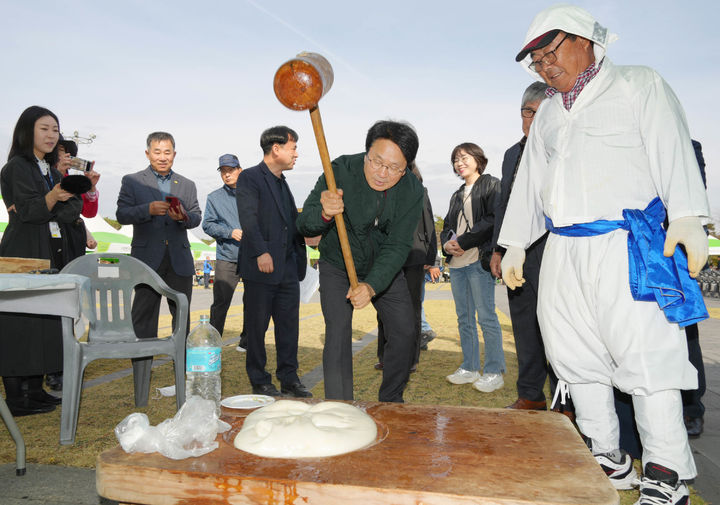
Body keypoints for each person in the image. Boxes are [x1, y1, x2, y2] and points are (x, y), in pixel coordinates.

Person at [499, 6, 709, 503]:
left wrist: (686, 214)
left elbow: (673, 146)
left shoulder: (639, 84)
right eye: (536, 61)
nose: (546, 66)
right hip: (563, 249)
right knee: (574, 358)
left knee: (647, 359)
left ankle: (666, 473)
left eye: (552, 52)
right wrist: (513, 241)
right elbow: (530, 182)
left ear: (587, 41)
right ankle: (607, 457)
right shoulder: (548, 110)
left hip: (627, 245)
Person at [296, 120, 424, 403]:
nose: (382, 173)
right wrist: (324, 214)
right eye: (377, 161)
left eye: (393, 168)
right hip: (337, 264)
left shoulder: (412, 191)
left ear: (407, 168)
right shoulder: (339, 171)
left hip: (384, 270)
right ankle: (340, 408)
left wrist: (372, 285)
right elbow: (304, 225)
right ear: (366, 153)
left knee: (405, 331)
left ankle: (391, 400)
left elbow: (398, 245)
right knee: (338, 333)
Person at [0, 106, 82, 416]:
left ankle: (36, 390)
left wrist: (59, 197)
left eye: (55, 130)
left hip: (47, 248)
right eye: (44, 129)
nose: (51, 135)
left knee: (42, 320)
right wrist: (52, 199)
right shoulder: (16, 167)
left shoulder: (50, 169)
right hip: (22, 250)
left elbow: (71, 211)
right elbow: (31, 211)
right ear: (27, 131)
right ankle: (16, 396)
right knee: (18, 321)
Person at [489, 81, 565, 411]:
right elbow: (504, 204)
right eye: (527, 112)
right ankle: (530, 395)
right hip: (518, 251)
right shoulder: (511, 155)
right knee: (523, 323)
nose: (532, 120)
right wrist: (498, 249)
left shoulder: (564, 148)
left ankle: (568, 401)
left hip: (557, 247)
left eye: (541, 113)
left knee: (559, 326)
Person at [236, 126, 310, 398]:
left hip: (288, 268)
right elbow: (248, 217)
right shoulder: (250, 178)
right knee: (256, 327)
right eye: (293, 148)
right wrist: (260, 252)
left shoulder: (282, 182)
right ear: (276, 148)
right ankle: (259, 379)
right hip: (262, 267)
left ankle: (289, 379)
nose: (296, 154)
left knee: (289, 328)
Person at [116, 132, 201, 357]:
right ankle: (142, 363)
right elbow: (121, 214)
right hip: (146, 260)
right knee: (144, 314)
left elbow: (196, 217)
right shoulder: (132, 181)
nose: (162, 157)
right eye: (157, 152)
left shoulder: (187, 184)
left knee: (181, 314)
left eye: (167, 152)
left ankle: (181, 364)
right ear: (148, 153)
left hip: (179, 259)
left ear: (174, 154)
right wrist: (147, 210)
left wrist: (183, 217)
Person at [441, 143, 505, 393]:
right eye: (455, 159)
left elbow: (492, 220)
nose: (459, 163)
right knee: (464, 318)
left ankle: (493, 370)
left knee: (486, 318)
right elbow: (448, 224)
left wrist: (463, 241)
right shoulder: (457, 194)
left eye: (464, 157)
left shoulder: (491, 184)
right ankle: (469, 367)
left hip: (478, 260)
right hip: (457, 264)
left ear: (478, 159)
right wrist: (447, 243)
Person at [374, 163, 437, 372]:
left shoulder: (420, 189)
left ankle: (411, 358)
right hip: (387, 255)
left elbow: (428, 222)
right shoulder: (381, 189)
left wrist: (431, 256)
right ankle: (385, 356)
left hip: (414, 255)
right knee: (383, 308)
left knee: (412, 308)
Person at [202, 153, 246, 347]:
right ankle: (213, 341)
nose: (227, 175)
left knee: (253, 303)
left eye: (231, 170)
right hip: (227, 257)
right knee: (220, 303)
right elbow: (207, 225)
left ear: (240, 170)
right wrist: (229, 232)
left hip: (253, 256)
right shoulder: (214, 198)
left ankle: (247, 342)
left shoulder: (254, 193)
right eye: (223, 171)